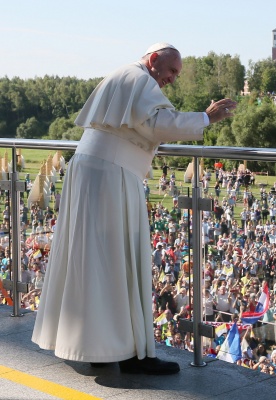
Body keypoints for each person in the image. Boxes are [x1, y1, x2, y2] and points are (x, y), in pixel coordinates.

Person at [31, 42, 236, 375]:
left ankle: (97, 346)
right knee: (117, 259)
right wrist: (206, 117)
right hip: (110, 174)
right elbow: (156, 123)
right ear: (154, 60)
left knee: (95, 260)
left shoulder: (126, 76)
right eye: (171, 70)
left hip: (96, 170)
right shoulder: (137, 78)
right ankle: (128, 353)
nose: (172, 79)